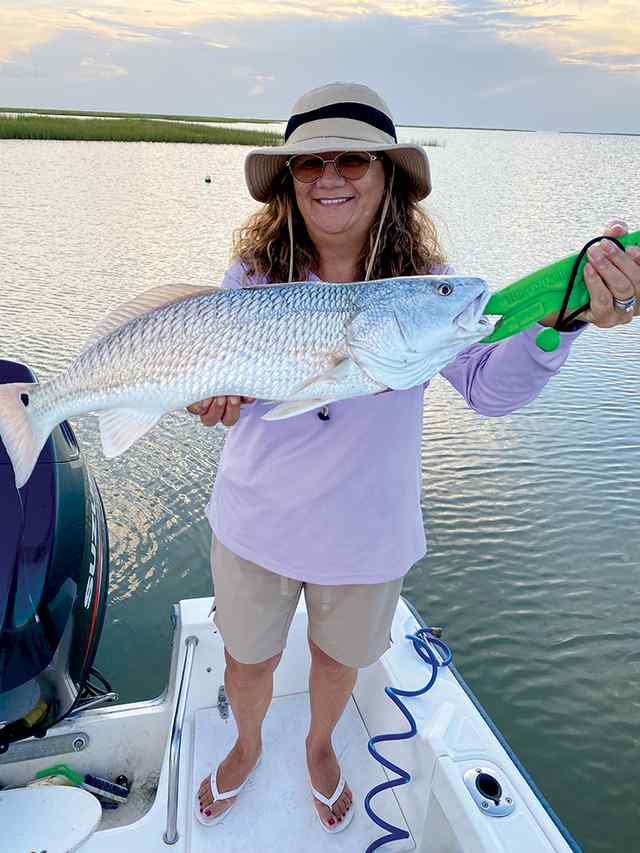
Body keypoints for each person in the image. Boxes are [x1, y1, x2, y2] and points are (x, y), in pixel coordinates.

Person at [190, 82, 640, 832]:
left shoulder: (431, 291)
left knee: (338, 661)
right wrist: (211, 399)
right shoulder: (251, 277)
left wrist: (561, 322)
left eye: (352, 160)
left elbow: (489, 390)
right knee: (247, 660)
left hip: (367, 534)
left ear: (388, 174)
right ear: (288, 182)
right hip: (254, 523)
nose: (329, 178)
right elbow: (216, 383)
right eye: (309, 164)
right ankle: (245, 744)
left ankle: (319, 746)